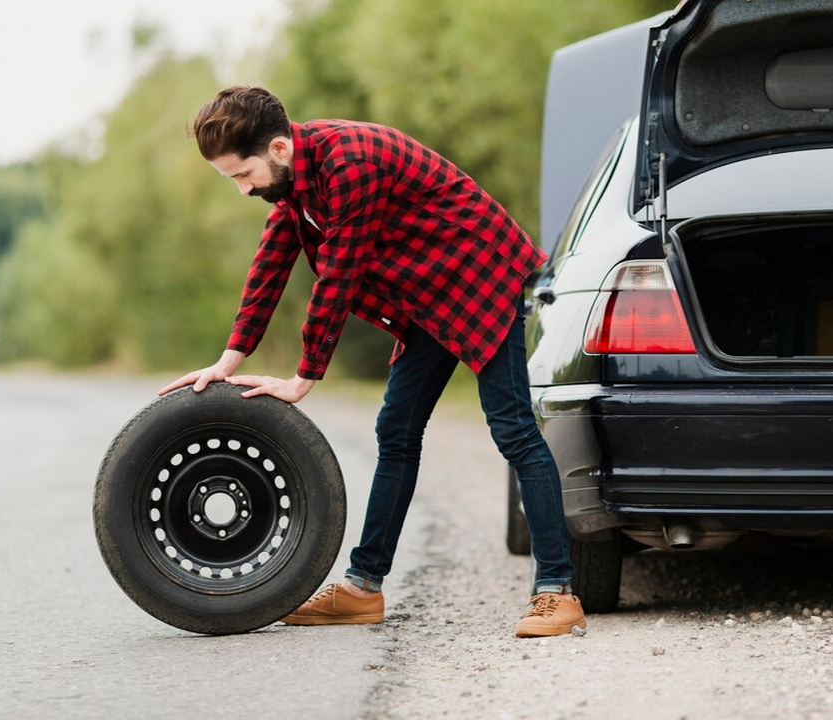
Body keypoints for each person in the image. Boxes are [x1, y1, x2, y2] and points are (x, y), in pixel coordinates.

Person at [159, 86, 585, 638]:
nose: (243, 190)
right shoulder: (294, 184)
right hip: (429, 295)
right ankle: (363, 590)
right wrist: (227, 359)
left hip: (480, 274)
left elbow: (340, 274)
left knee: (513, 431)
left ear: (279, 149)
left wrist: (304, 377)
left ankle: (558, 591)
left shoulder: (349, 163)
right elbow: (270, 266)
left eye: (243, 175)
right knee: (397, 431)